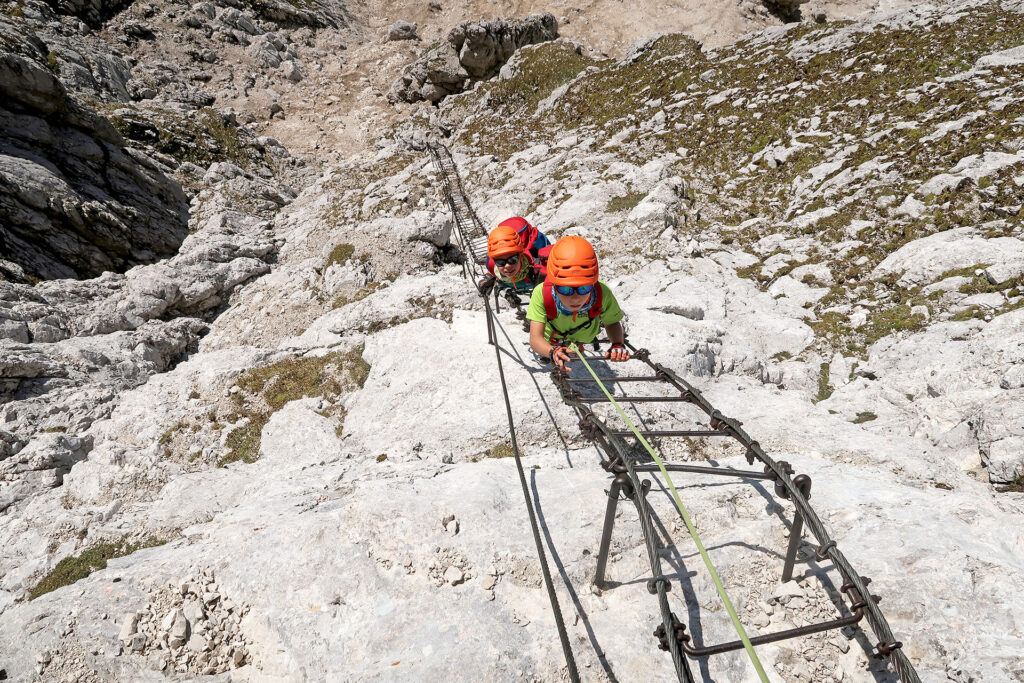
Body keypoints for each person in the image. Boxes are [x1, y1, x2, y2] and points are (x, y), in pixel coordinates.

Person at [526, 236, 631, 372]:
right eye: (565, 289)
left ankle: (574, 344)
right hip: (553, 341)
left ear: (592, 284)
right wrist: (551, 351)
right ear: (554, 284)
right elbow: (535, 339)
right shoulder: (541, 293)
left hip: (568, 337)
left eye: (584, 288)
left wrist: (618, 344)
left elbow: (612, 323)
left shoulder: (602, 293)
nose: (575, 298)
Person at [477, 221, 545, 297]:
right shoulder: (491, 265)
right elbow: (491, 271)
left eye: (513, 259)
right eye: (500, 262)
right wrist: (488, 278)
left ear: (521, 256)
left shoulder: (536, 266)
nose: (507, 266)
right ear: (494, 261)